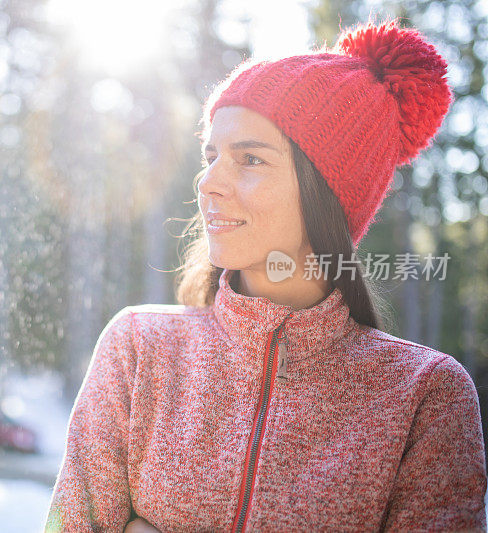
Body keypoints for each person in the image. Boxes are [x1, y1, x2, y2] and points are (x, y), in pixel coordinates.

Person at [43, 18, 487, 533]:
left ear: (328, 193)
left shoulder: (425, 397)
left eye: (249, 159)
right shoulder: (138, 349)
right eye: (211, 156)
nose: (208, 183)